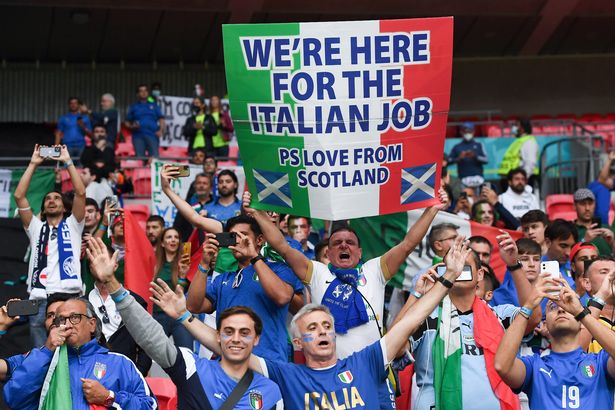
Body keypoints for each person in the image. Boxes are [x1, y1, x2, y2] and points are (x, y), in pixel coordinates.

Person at [150, 236, 474, 409]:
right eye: (312, 328)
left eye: (326, 326)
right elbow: (227, 346)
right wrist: (184, 316)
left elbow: (409, 322)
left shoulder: (365, 361)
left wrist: (446, 278)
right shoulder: (286, 375)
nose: (323, 331)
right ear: (297, 342)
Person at [246, 189, 448, 407]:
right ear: (329, 254)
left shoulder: (375, 270)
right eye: (337, 243)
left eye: (350, 243)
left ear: (360, 252)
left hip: (374, 373)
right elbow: (283, 248)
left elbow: (408, 244)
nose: (343, 246)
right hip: (331, 378)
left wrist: (432, 210)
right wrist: (256, 214)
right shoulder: (318, 273)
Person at [87, 237, 283, 409]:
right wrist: (112, 283)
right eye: (229, 331)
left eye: (245, 332)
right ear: (217, 335)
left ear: (256, 339)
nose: (236, 339)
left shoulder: (271, 392)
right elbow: (150, 336)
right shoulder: (193, 367)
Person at [403, 232, 540, 410]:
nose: (458, 271)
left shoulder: (499, 315)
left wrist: (514, 265)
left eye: (464, 267)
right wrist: (417, 294)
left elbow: (533, 316)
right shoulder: (425, 317)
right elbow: (393, 348)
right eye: (453, 267)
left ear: (480, 274)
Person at [3, 297, 157, 409]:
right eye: (61, 320)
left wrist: (109, 397)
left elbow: (150, 406)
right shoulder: (41, 360)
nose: (67, 324)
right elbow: (15, 399)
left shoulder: (119, 363)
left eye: (75, 317)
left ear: (92, 324)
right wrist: (48, 349)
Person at [186, 214, 303, 362]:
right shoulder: (223, 279)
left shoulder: (279, 269)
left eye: (244, 235)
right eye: (234, 236)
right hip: (230, 363)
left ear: (260, 240)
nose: (238, 241)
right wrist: (204, 264)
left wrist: (254, 256)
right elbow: (193, 306)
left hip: (268, 363)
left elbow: (282, 297)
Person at [494, 274, 615, 410]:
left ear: (581, 323)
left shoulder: (600, 362)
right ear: (544, 325)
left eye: (568, 306)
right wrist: (528, 306)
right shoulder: (534, 366)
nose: (561, 309)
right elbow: (501, 366)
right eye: (553, 307)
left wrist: (581, 312)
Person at [14, 145, 86, 348]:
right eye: (47, 199)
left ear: (64, 206)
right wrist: (33, 163)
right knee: (41, 355)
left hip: (70, 297)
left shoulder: (74, 225)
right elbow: (19, 196)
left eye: (56, 198)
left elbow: (81, 192)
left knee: (74, 352)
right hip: (39, 299)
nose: (52, 201)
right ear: (43, 208)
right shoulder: (35, 227)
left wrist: (68, 161)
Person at [88, 259, 152, 376]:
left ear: (115, 265)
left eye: (103, 261)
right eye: (95, 261)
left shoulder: (135, 301)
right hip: (90, 375)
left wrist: (138, 374)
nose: (99, 266)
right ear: (90, 267)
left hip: (125, 374)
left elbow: (147, 344)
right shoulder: (82, 303)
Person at [0, 294, 71, 381]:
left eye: (61, 315)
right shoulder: (31, 359)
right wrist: (1, 326)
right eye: (50, 315)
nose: (54, 319)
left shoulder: (91, 360)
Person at [153, 227, 194, 349]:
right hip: (158, 315)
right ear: (162, 243)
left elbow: (180, 294)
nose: (173, 240)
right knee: (150, 356)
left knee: (187, 355)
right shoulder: (154, 264)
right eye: (169, 237)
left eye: (176, 237)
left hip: (180, 315)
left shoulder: (185, 262)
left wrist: (182, 276)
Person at [491, 238, 543, 307]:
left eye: (536, 259)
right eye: (524, 259)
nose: (532, 264)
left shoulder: (553, 292)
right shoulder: (498, 296)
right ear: (514, 261)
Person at [578, 256, 615, 354]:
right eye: (604, 272)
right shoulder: (577, 316)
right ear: (587, 283)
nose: (612, 276)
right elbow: (575, 354)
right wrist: (602, 296)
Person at [125, 84, 165, 158]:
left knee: (154, 159)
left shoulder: (154, 105)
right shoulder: (133, 107)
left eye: (145, 90)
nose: (143, 92)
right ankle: (141, 170)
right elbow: (126, 122)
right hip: (138, 136)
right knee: (139, 159)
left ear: (148, 92)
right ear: (137, 94)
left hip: (152, 135)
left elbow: (161, 118)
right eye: (141, 91)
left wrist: (161, 130)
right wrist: (131, 126)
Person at [498, 118, 539, 188]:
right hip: (511, 179)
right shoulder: (519, 141)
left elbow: (530, 163)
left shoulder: (529, 142)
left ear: (522, 128)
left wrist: (522, 180)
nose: (514, 128)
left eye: (517, 125)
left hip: (519, 183)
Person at [573, 188, 615, 255]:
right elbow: (568, 258)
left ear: (595, 204)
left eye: (590, 203)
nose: (587, 208)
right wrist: (584, 241)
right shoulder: (570, 230)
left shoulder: (607, 229)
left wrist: (612, 244)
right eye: (583, 204)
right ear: (574, 206)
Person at [448, 122, 488, 190]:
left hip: (478, 179)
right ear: (461, 132)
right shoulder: (457, 147)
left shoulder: (479, 145)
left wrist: (475, 156)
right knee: (464, 199)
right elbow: (448, 161)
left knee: (479, 200)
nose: (467, 133)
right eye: (465, 131)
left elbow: (486, 160)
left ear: (473, 132)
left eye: (469, 131)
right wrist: (459, 158)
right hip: (463, 180)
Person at [174, 172, 214, 240]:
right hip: (189, 245)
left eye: (205, 183)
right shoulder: (186, 204)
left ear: (211, 187)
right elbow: (177, 228)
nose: (201, 186)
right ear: (195, 185)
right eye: (199, 183)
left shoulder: (216, 204)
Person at [544, 219, 579, 288]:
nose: (568, 253)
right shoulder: (534, 268)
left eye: (572, 247)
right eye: (563, 246)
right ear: (548, 242)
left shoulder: (577, 268)